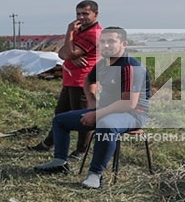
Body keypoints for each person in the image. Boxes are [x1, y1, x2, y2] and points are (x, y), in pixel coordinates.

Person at [34, 26, 149, 189]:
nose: (106, 45)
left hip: (132, 114)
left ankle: (95, 175)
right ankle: (59, 162)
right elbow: (88, 81)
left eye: (111, 41)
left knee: (106, 125)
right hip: (106, 110)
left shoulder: (130, 67)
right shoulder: (104, 63)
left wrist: (97, 114)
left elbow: (128, 103)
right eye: (103, 42)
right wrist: (92, 101)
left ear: (124, 44)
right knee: (60, 120)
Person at [30, 0, 102, 157]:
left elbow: (68, 53)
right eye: (78, 14)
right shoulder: (80, 30)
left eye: (85, 14)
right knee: (60, 114)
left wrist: (69, 34)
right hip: (70, 79)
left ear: (95, 14)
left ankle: (82, 150)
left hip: (83, 81)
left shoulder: (93, 34)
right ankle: (48, 143)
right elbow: (61, 53)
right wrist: (71, 55)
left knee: (84, 116)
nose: (80, 17)